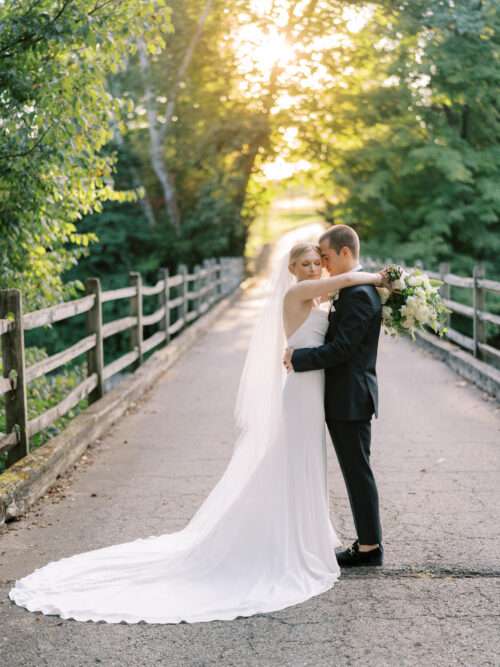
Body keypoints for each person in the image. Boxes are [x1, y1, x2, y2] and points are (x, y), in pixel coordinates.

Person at [8, 235, 383, 624]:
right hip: (303, 389)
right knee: (292, 460)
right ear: (291, 269)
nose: (315, 267)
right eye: (307, 262)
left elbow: (340, 326)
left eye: (318, 261)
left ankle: (309, 536)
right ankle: (287, 540)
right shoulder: (306, 290)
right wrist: (378, 277)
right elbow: (340, 288)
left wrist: (369, 285)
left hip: (315, 391)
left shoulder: (324, 295)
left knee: (307, 462)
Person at [283, 224, 384, 567]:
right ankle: (363, 542)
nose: (322, 266)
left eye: (324, 258)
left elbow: (341, 349)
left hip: (350, 398)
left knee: (357, 472)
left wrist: (298, 358)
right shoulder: (349, 289)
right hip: (336, 395)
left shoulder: (358, 294)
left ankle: (370, 547)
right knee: (352, 469)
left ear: (344, 252)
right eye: (313, 261)